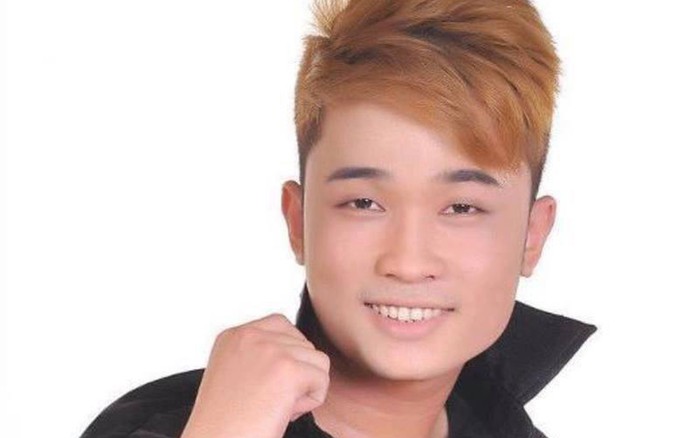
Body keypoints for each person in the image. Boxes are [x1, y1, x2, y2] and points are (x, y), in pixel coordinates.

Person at [79, 0, 597, 437]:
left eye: (462, 208)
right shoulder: (174, 425)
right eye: (364, 203)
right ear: (298, 222)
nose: (408, 262)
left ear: (532, 236)